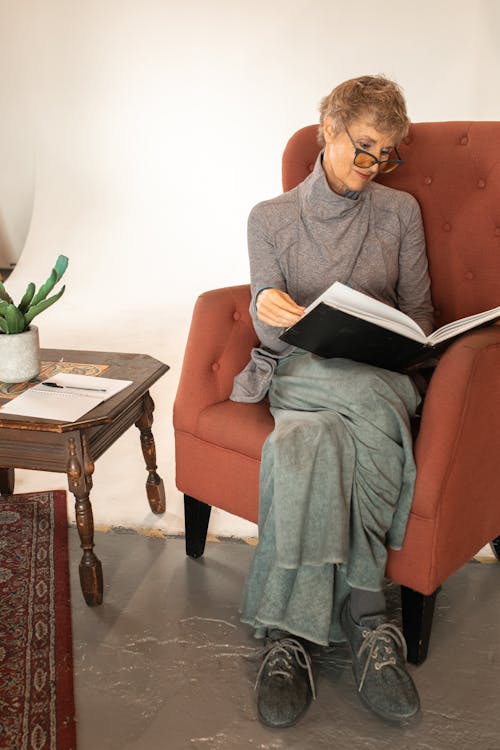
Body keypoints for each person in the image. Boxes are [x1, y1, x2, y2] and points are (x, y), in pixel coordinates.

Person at [230, 75, 434, 728]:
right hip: (302, 375)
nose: (374, 167)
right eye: (365, 148)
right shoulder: (270, 219)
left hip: (376, 379)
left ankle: (289, 635)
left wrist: (396, 339)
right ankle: (369, 614)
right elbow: (268, 324)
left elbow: (420, 316)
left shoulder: (399, 213)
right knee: (312, 407)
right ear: (329, 130)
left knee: (303, 442)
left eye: (387, 154)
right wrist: (268, 305)